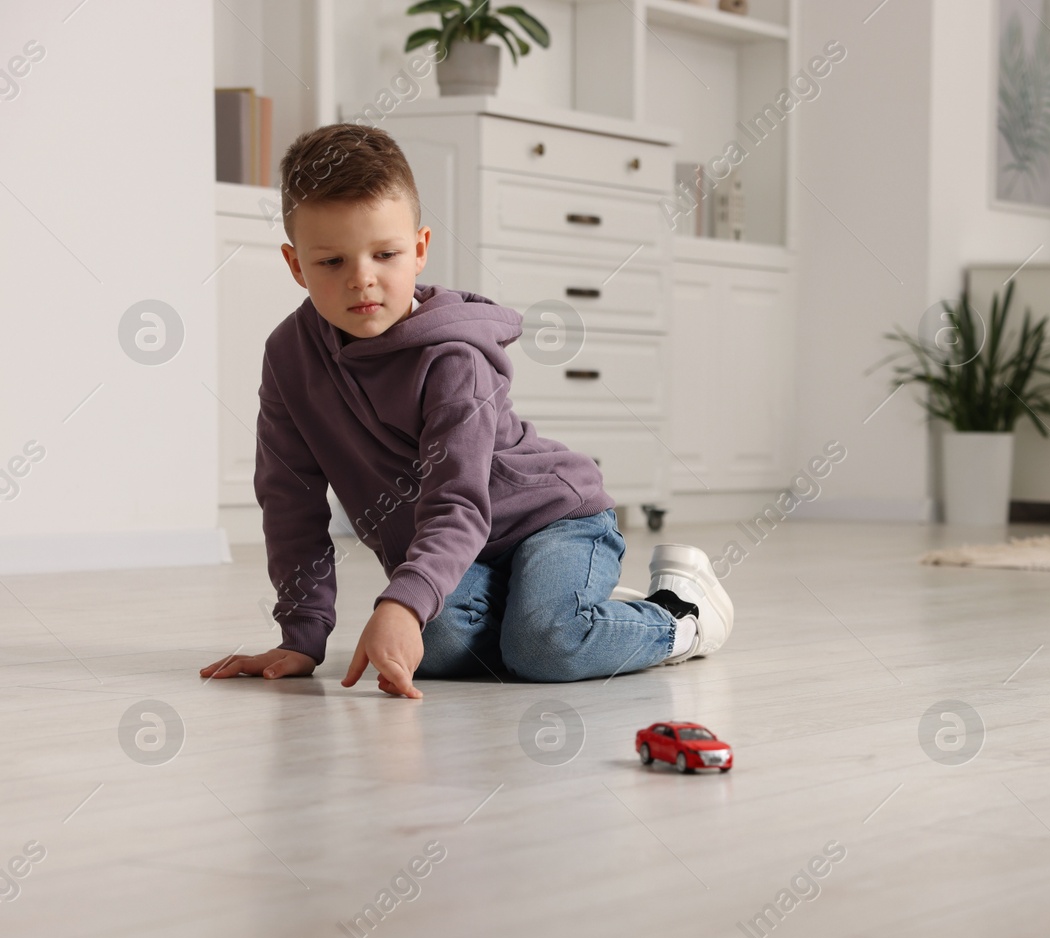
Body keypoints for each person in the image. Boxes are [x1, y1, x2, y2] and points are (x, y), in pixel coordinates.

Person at [200, 124, 731, 696]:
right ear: (296, 264)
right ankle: (556, 605)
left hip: (551, 522)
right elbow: (289, 501)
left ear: (421, 249)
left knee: (543, 647)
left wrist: (404, 603)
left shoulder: (454, 358)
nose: (363, 279)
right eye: (331, 262)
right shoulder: (289, 356)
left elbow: (458, 501)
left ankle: (681, 612)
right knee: (442, 646)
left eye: (386, 254)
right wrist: (301, 636)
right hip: (461, 552)